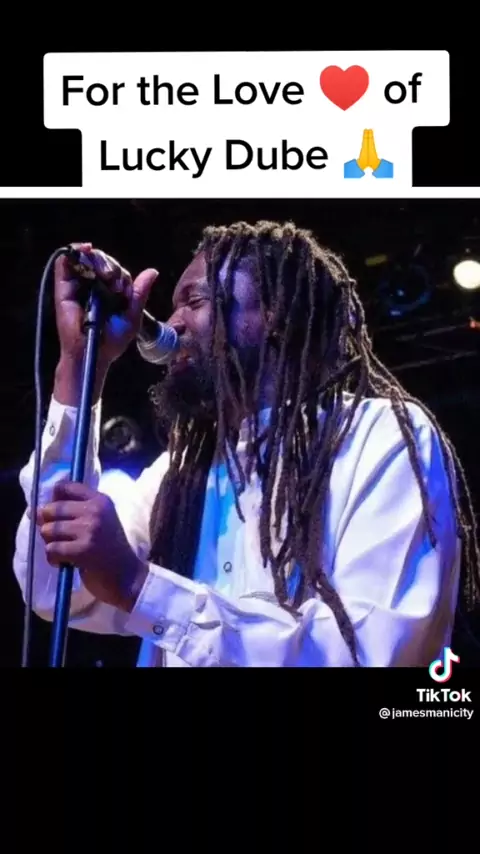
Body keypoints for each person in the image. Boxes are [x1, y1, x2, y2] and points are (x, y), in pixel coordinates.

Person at [12, 220, 480, 667]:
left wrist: (141, 587)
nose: (172, 323)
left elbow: (379, 652)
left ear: (274, 313)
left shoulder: (379, 436)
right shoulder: (177, 476)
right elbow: (49, 586)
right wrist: (79, 367)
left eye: (194, 301)